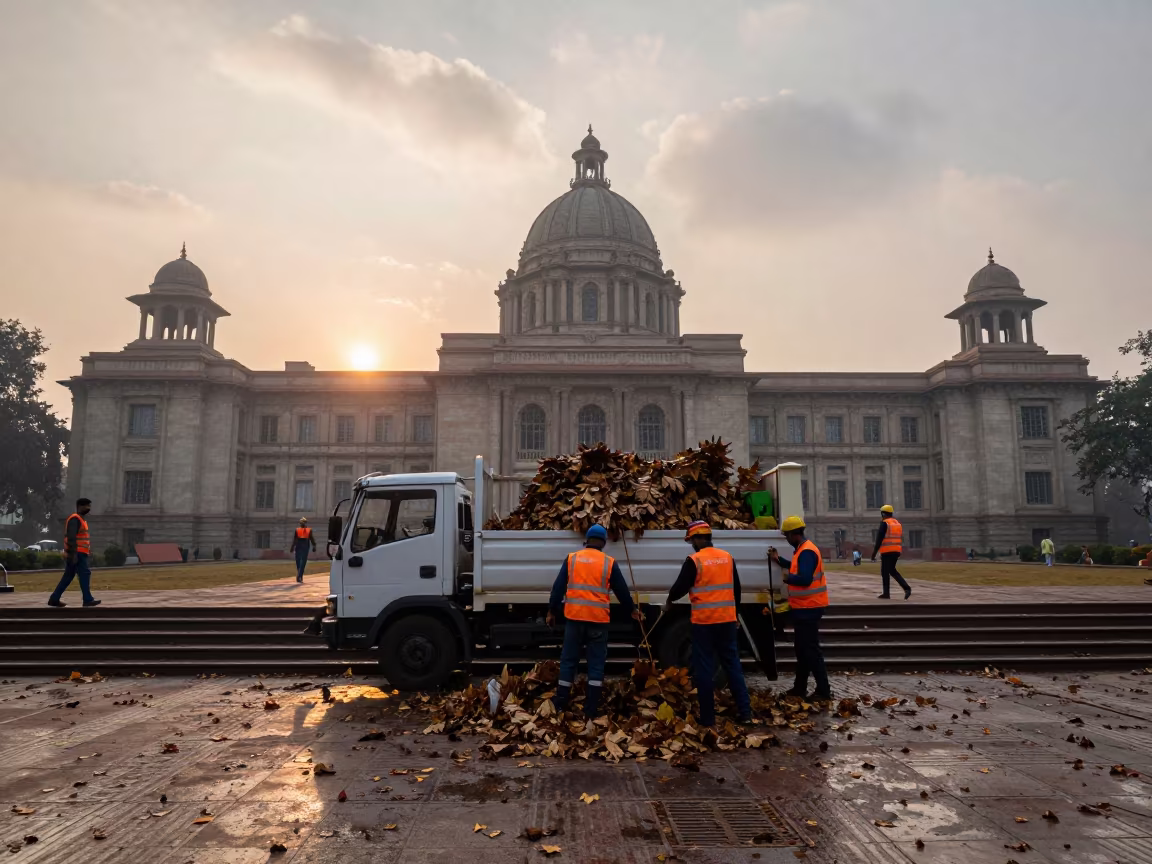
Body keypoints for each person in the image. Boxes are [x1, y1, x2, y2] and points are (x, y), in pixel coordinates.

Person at [662, 521, 752, 727]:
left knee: (704, 669)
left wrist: (669, 601)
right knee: (733, 666)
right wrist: (735, 614)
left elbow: (679, 588)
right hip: (727, 621)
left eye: (693, 540)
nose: (692, 544)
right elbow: (736, 590)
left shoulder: (694, 560)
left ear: (698, 539)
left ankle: (708, 719)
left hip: (704, 622)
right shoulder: (727, 558)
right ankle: (745, 713)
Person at [546, 525, 640, 719]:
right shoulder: (609, 563)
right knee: (596, 664)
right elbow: (622, 590)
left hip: (574, 620)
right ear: (603, 542)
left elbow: (557, 588)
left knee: (569, 661)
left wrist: (551, 611)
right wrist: (632, 609)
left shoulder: (572, 559)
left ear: (587, 540)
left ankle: (561, 703)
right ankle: (591, 708)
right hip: (597, 622)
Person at [48, 497, 101, 608]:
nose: (88, 508)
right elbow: (71, 537)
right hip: (77, 553)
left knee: (68, 576)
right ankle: (87, 599)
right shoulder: (75, 519)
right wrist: (73, 553)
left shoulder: (81, 520)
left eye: (89, 506)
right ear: (79, 507)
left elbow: (82, 538)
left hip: (79, 552)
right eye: (86, 506)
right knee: (85, 574)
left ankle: (54, 598)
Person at [871, 505, 911, 600]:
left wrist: (873, 554)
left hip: (887, 551)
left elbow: (879, 540)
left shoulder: (885, 523)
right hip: (896, 551)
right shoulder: (897, 523)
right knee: (891, 570)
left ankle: (888, 593)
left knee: (885, 572)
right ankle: (905, 588)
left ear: (883, 513)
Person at [289, 518, 316, 583]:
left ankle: (299, 575)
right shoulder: (297, 530)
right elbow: (295, 539)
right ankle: (299, 575)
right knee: (298, 562)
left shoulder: (309, 530)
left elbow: (311, 538)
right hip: (299, 547)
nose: (302, 524)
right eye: (301, 523)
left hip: (304, 547)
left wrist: (314, 546)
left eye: (303, 522)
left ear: (305, 523)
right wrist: (292, 547)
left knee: (302, 562)